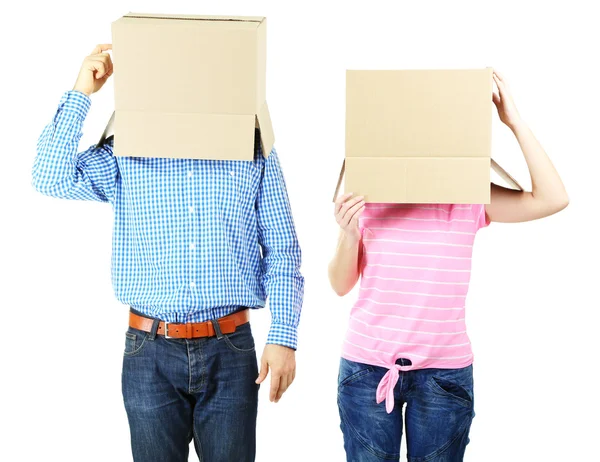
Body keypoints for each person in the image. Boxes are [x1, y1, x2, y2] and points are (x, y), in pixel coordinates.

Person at [32, 44, 304, 462]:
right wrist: (81, 93)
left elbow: (283, 250)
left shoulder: (254, 151)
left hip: (229, 352)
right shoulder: (126, 152)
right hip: (149, 353)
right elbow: (49, 176)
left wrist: (284, 337)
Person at [329, 70, 568, 461]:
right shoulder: (369, 189)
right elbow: (340, 285)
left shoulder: (468, 196)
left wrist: (514, 123)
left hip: (444, 375)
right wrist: (349, 232)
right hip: (366, 369)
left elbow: (552, 198)